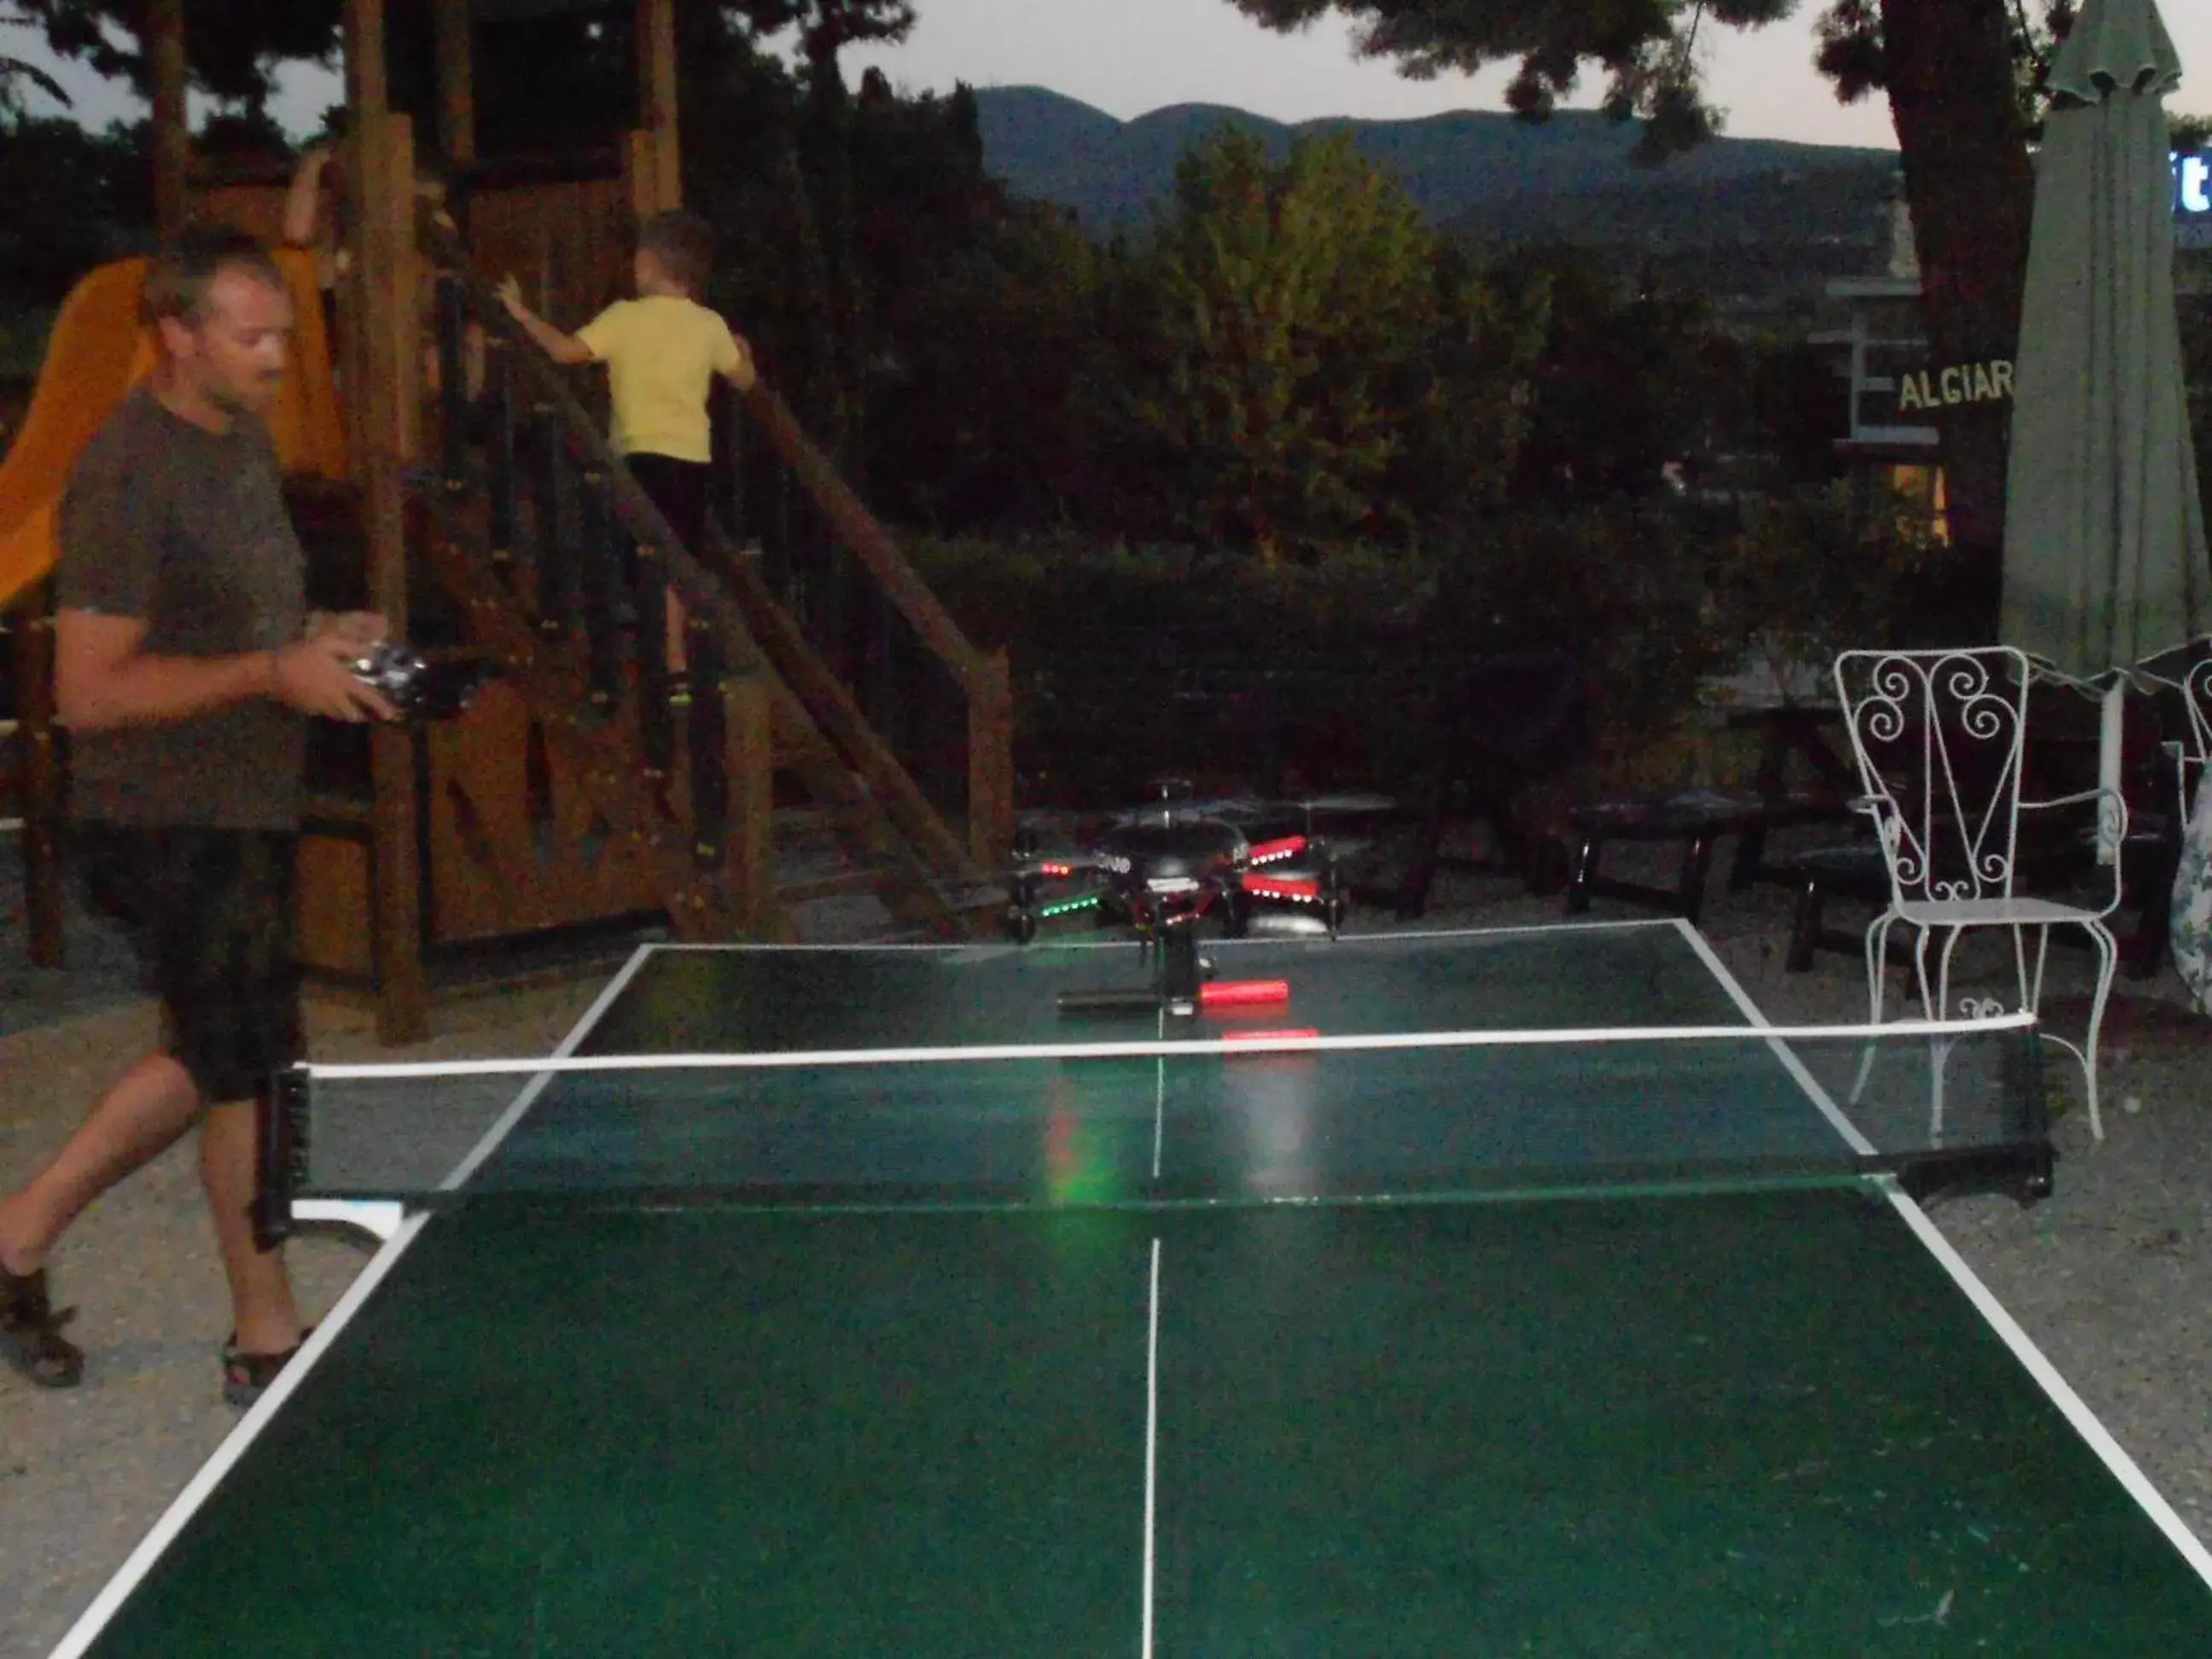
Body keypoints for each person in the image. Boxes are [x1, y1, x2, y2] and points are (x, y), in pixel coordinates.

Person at [0, 230, 396, 1404]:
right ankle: (263, 1336)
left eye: (282, 331)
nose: (280, 356)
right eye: (253, 335)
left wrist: (322, 634)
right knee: (253, 1066)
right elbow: (89, 697)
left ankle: (15, 1240)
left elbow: (233, 622)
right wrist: (273, 673)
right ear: (178, 337)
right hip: (162, 817)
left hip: (240, 802)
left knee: (213, 1052)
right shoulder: (126, 473)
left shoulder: (237, 440)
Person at [496, 210, 757, 704]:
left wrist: (520, 313)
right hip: (693, 460)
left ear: (651, 264)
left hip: (640, 458)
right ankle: (687, 661)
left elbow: (566, 351)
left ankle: (669, 660)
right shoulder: (709, 324)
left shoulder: (626, 317)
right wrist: (745, 354)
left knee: (643, 558)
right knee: (681, 559)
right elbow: (743, 381)